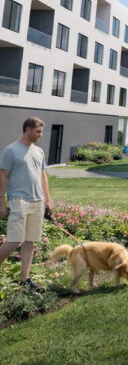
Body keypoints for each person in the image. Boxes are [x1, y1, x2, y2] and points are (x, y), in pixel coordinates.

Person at [0, 117, 53, 291]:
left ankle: (25, 280)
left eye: (41, 132)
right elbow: (2, 177)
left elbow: (43, 176)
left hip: (37, 200)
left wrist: (47, 200)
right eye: (38, 131)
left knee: (30, 241)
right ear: (28, 129)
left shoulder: (39, 151)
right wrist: (2, 203)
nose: (40, 135)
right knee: (15, 240)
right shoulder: (11, 150)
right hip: (18, 200)